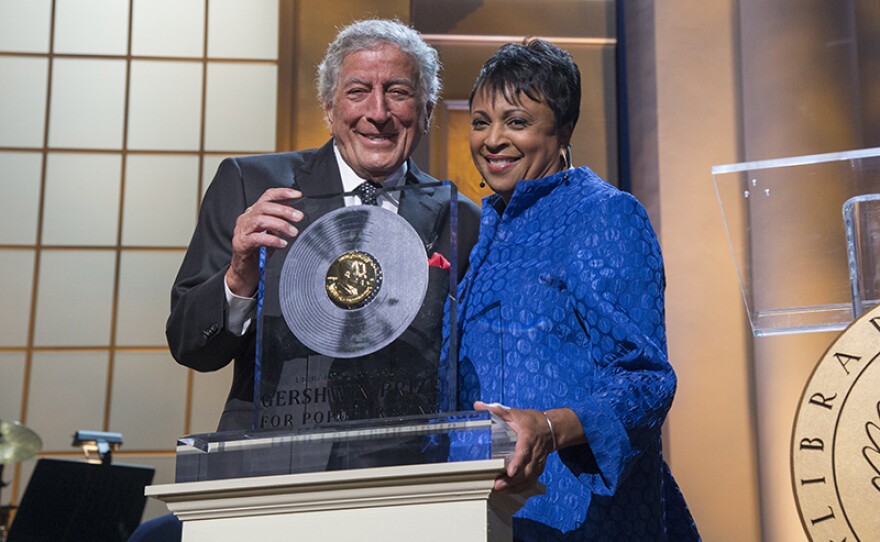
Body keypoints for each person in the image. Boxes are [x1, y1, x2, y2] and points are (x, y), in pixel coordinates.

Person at [129, 19, 480, 541]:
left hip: (404, 485)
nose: (377, 112)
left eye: (398, 93)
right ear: (329, 106)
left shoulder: (461, 219)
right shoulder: (254, 185)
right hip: (267, 470)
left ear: (426, 110)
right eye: (358, 92)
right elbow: (189, 345)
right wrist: (240, 274)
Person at [455, 39, 700, 540]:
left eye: (516, 121)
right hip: (493, 517)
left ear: (564, 128)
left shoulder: (604, 214)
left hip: (580, 516)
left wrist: (548, 428)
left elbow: (647, 381)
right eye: (481, 121)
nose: (492, 139)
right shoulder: (490, 228)